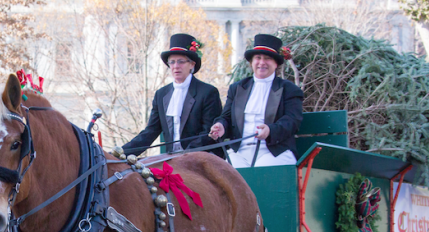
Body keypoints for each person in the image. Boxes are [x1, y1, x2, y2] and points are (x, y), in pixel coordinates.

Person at [209, 34, 303, 167]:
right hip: (240, 152)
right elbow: (226, 117)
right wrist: (221, 126)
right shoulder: (237, 88)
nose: (262, 62)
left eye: (268, 58)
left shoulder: (289, 89)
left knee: (262, 170)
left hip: (274, 151)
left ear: (276, 63)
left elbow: (292, 121)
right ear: (251, 62)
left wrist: (270, 130)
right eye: (258, 58)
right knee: (227, 172)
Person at [123, 33, 222, 157]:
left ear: (192, 64)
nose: (176, 67)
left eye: (181, 62)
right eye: (172, 62)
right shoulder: (161, 94)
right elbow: (150, 132)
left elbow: (207, 133)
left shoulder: (208, 92)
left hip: (199, 158)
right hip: (172, 158)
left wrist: (185, 155)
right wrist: (121, 152)